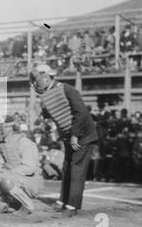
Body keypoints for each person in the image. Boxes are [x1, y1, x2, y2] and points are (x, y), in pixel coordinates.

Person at [30, 64, 98, 217]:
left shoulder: (67, 89)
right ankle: (62, 202)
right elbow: (56, 114)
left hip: (83, 135)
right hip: (69, 135)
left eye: (38, 80)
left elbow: (81, 113)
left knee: (77, 170)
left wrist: (75, 135)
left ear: (47, 78)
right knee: (67, 168)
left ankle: (73, 207)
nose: (36, 84)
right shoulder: (50, 92)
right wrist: (42, 109)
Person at [0, 116, 43, 215]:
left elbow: (30, 168)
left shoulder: (23, 141)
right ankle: (13, 201)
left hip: (31, 181)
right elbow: (1, 165)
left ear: (9, 127)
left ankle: (28, 205)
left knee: (5, 181)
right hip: (15, 177)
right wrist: (0, 174)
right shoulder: (0, 144)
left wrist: (9, 173)